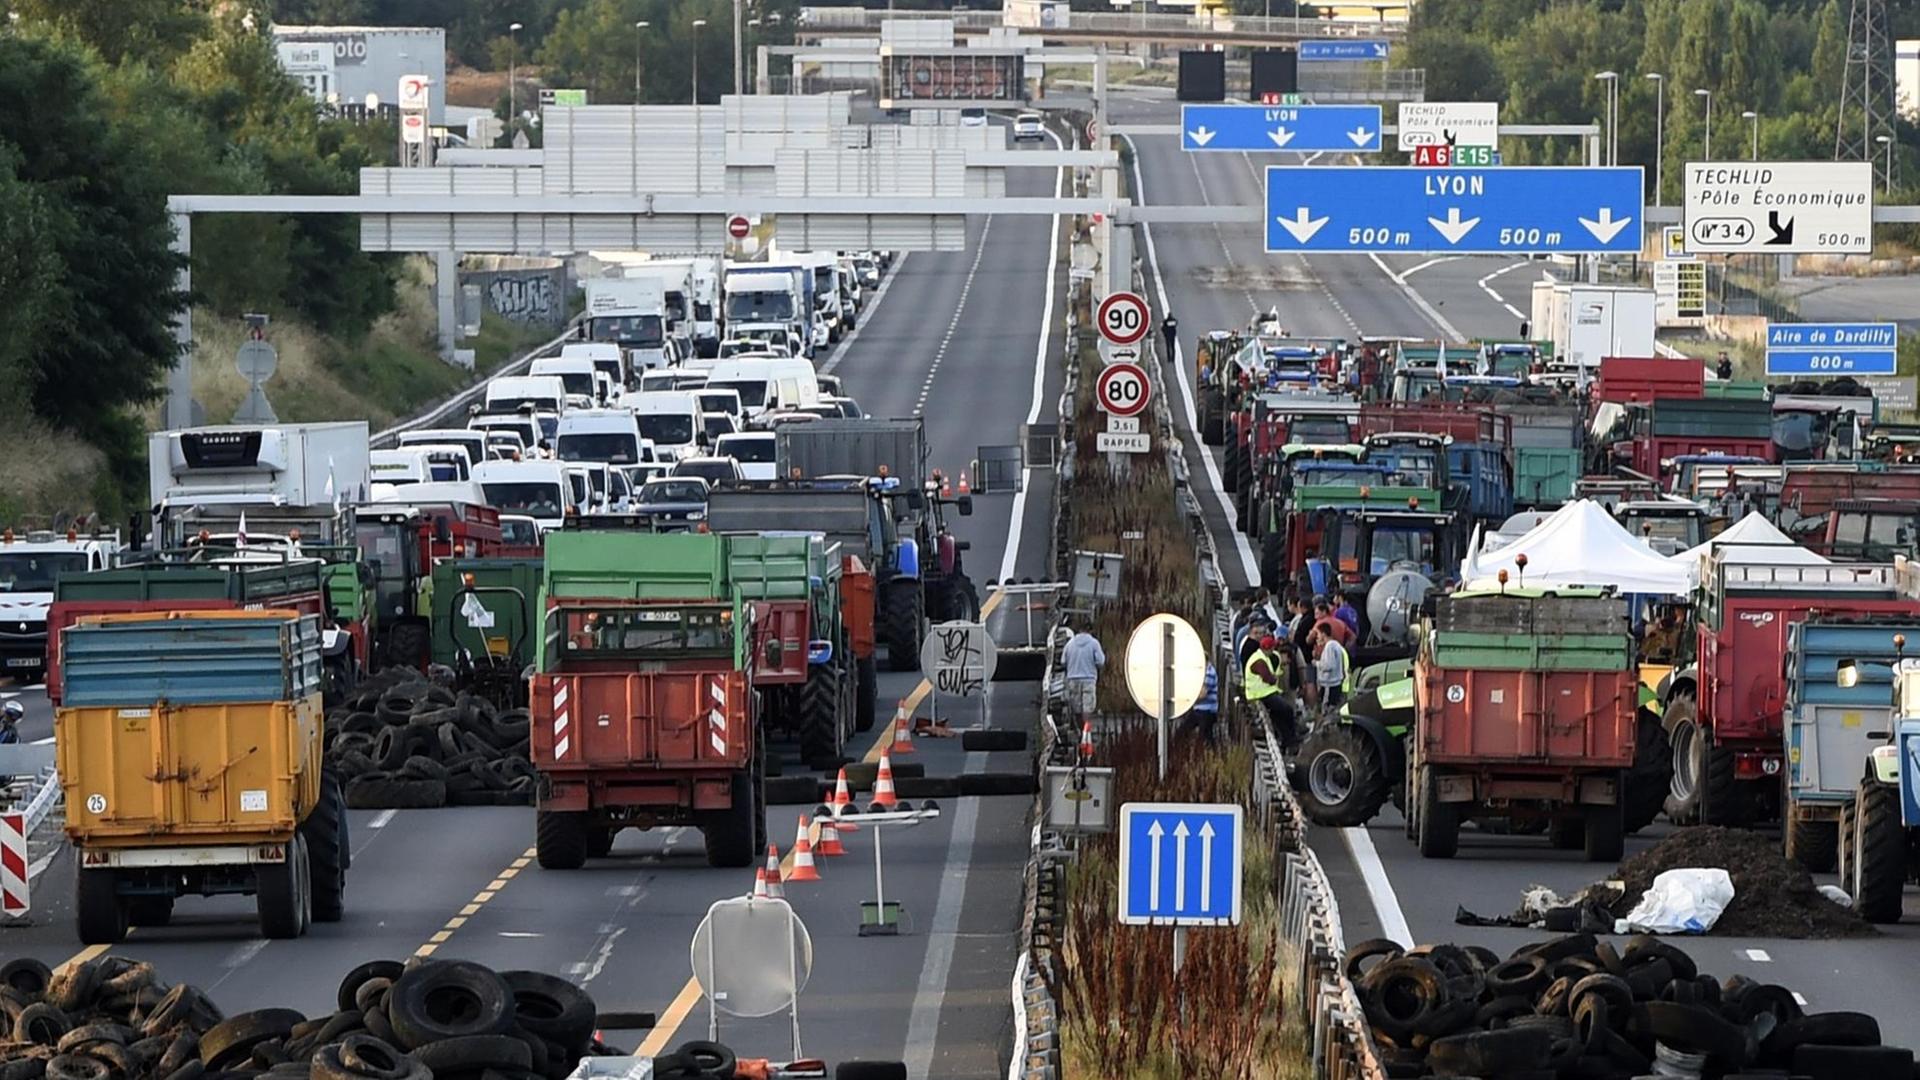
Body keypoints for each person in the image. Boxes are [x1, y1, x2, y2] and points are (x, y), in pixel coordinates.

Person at [1244, 635, 1298, 749]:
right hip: (1261, 694)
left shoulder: (1262, 657)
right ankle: (1291, 739)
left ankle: (1287, 741)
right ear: (1268, 648)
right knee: (1287, 710)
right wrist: (1273, 678)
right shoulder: (1259, 661)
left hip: (1264, 692)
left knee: (1278, 716)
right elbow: (1268, 678)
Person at [1062, 621, 1106, 725]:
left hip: (1073, 678)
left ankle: (1079, 731)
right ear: (1090, 630)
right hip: (1088, 678)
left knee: (1076, 707)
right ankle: (1086, 734)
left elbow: (1063, 661)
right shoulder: (1094, 643)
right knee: (1087, 707)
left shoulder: (1070, 644)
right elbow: (1101, 661)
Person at [1312, 623, 1351, 717]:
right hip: (1334, 684)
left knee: (1327, 711)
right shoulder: (1336, 645)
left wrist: (1316, 663)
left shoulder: (1330, 646)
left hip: (1329, 684)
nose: (1317, 637)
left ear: (1323, 634)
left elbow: (1329, 665)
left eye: (1318, 634)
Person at [1176, 662, 1219, 745]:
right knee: (1184, 732)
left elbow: (1202, 693)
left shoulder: (1208, 672)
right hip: (1199, 709)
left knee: (1203, 737)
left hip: (1206, 710)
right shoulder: (1202, 672)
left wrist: (1189, 698)